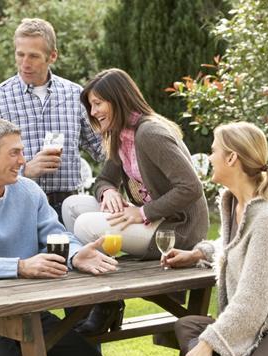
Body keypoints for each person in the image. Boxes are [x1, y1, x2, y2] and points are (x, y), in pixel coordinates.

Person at [0, 118, 116, 356]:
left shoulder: (29, 191)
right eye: (14, 153)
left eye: (21, 152)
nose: (23, 160)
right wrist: (20, 266)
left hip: (29, 313)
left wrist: (75, 254)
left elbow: (57, 234)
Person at [61, 68, 209, 336]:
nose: (93, 112)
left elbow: (191, 187)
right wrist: (108, 192)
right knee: (73, 205)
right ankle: (109, 305)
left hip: (177, 229)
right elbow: (103, 180)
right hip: (150, 219)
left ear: (118, 100)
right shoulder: (120, 135)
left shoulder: (149, 133)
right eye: (91, 105)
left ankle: (102, 304)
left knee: (84, 224)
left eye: (97, 104)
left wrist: (142, 212)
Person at [166, 122, 268, 356]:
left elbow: (252, 300)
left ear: (231, 158)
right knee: (186, 326)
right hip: (258, 320)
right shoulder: (235, 203)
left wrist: (211, 342)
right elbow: (235, 245)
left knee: (203, 343)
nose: (210, 158)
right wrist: (197, 254)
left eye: (214, 151)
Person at [0, 18, 104, 222]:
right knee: (26, 257)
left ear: (52, 56)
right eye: (20, 54)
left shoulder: (76, 95)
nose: (25, 63)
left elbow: (103, 149)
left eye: (33, 56)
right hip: (15, 206)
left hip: (67, 207)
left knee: (73, 255)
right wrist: (25, 170)